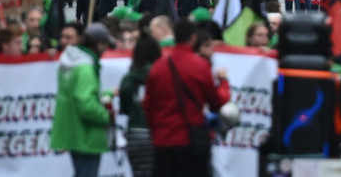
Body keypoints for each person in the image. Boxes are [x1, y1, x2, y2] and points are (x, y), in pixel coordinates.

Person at [143, 19, 231, 176]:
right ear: (193, 38)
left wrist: (156, 131)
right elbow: (216, 103)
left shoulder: (158, 66)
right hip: (191, 141)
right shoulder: (200, 65)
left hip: (163, 141)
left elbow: (148, 105)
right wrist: (224, 82)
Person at [51, 23, 116, 177]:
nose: (106, 50)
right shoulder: (85, 68)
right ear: (99, 44)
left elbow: (79, 94)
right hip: (87, 136)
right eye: (105, 45)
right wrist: (106, 117)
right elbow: (86, 103)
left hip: (76, 133)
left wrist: (107, 93)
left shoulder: (71, 64)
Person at [119, 34, 162, 177]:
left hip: (134, 134)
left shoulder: (129, 77)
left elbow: (124, 107)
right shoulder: (161, 74)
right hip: (156, 132)